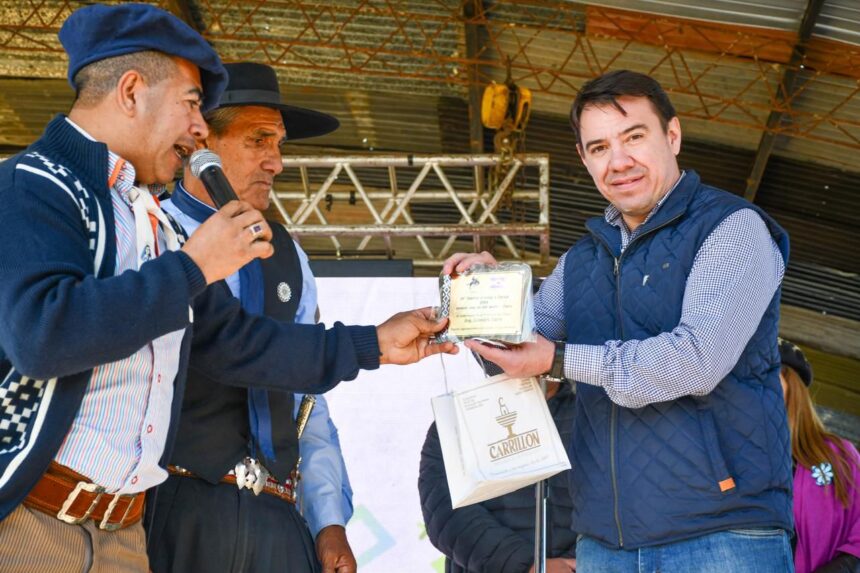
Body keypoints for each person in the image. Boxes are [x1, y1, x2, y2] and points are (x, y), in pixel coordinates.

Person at [0, 5, 454, 571]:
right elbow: (41, 336)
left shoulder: (148, 220)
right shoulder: (32, 184)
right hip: (33, 523)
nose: (199, 128)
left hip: (124, 534)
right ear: (132, 91)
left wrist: (376, 343)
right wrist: (195, 266)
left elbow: (234, 343)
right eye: (192, 103)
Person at [445, 69, 793, 571]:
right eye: (600, 147)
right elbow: (518, 353)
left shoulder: (732, 228)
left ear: (672, 135)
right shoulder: (582, 259)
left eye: (634, 137)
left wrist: (558, 359)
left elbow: (695, 361)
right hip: (604, 541)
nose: (619, 161)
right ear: (584, 158)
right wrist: (487, 294)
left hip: (722, 533)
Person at [148, 62, 356, 573]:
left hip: (278, 518)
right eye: (258, 140)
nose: (276, 162)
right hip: (174, 509)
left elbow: (308, 400)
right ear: (199, 142)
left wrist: (328, 521)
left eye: (279, 144)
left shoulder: (289, 255)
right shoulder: (151, 233)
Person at [419, 381, 577, 573]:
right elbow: (445, 514)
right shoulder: (459, 419)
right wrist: (526, 566)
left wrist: (578, 563)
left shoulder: (594, 416)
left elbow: (609, 510)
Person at [778, 338, 860, 573]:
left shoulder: (839, 455)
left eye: (768, 375)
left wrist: (844, 566)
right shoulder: (735, 455)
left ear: (792, 384)